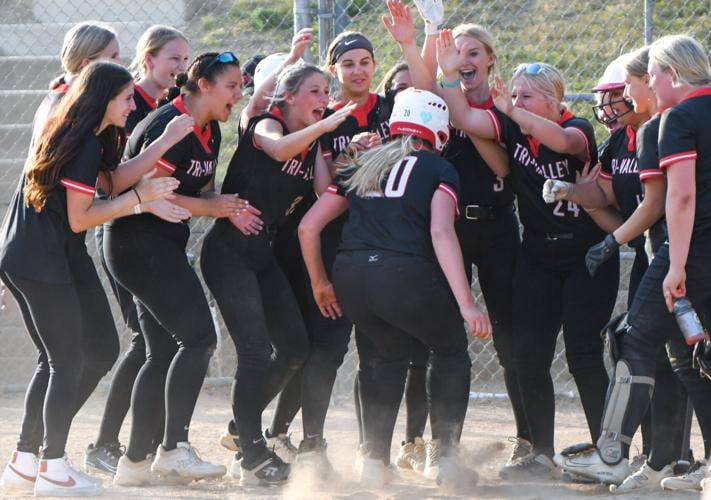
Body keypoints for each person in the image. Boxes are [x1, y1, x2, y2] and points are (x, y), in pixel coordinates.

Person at [0, 61, 190, 496]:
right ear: (103, 98)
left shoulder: (93, 138)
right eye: (126, 98)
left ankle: (26, 461)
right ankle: (51, 466)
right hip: (41, 259)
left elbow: (110, 182)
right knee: (65, 361)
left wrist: (162, 142)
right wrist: (141, 201)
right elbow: (82, 216)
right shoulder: (79, 141)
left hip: (52, 254)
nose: (132, 104)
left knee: (99, 347)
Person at [437, 29, 620, 478]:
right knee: (527, 355)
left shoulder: (576, 127)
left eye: (528, 96)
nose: (517, 100)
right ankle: (539, 451)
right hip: (537, 257)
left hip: (585, 256)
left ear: (554, 101)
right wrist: (445, 72)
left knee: (582, 355)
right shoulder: (513, 125)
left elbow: (562, 144)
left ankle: (607, 452)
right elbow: (462, 115)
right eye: (514, 92)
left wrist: (510, 110)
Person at [299, 88, 491, 489]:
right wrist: (466, 303)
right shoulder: (439, 168)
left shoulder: (364, 163)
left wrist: (320, 282)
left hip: (351, 275)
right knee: (450, 350)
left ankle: (374, 461)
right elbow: (441, 233)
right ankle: (445, 459)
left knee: (382, 359)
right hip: (403, 273)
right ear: (437, 129)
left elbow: (308, 226)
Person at [551, 35, 711, 491]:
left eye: (648, 77)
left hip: (689, 249)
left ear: (668, 74)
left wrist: (676, 265)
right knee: (688, 357)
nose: (637, 90)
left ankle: (612, 454)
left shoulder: (675, 119)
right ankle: (667, 463)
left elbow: (678, 197)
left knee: (634, 336)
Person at [383, 0, 522, 475]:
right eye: (456, 51)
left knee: (510, 337)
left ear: (489, 60)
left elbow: (505, 166)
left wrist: (472, 115)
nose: (464, 59)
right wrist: (414, 37)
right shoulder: (440, 94)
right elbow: (427, 85)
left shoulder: (506, 105)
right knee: (432, 336)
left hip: (498, 228)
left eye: (474, 52)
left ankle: (529, 443)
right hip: (449, 230)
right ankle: (418, 442)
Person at [201, 62, 355, 486]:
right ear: (288, 96)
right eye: (314, 91)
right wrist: (326, 126)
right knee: (254, 353)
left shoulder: (312, 143)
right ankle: (252, 455)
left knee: (294, 348)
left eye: (327, 92)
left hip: (262, 250)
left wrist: (333, 148)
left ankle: (241, 428)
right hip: (229, 251)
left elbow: (325, 194)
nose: (324, 99)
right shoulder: (264, 123)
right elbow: (278, 149)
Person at [107, 51, 246, 485]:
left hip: (162, 244)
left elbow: (201, 189)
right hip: (138, 244)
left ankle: (133, 464)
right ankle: (173, 449)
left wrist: (216, 203)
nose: (238, 96)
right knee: (199, 337)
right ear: (203, 84)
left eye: (241, 88)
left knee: (164, 349)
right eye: (231, 86)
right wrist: (210, 206)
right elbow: (154, 194)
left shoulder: (211, 128)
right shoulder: (171, 125)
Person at [86, 24, 191, 476]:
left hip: (152, 234)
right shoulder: (129, 103)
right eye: (173, 59)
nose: (181, 69)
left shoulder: (170, 105)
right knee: (145, 340)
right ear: (147, 59)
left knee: (159, 341)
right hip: (121, 229)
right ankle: (106, 443)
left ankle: (146, 443)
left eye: (186, 61)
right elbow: (111, 177)